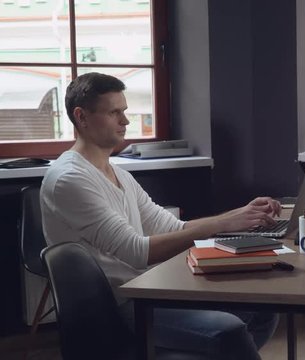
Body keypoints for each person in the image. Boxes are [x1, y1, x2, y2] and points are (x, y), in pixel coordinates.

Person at [41, 72, 280, 359]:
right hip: (122, 306)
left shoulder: (119, 174)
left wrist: (241, 214)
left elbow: (174, 226)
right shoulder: (69, 178)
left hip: (149, 290)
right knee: (228, 331)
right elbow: (137, 252)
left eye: (124, 111)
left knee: (264, 309)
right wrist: (221, 223)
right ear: (81, 117)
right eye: (114, 112)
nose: (125, 121)